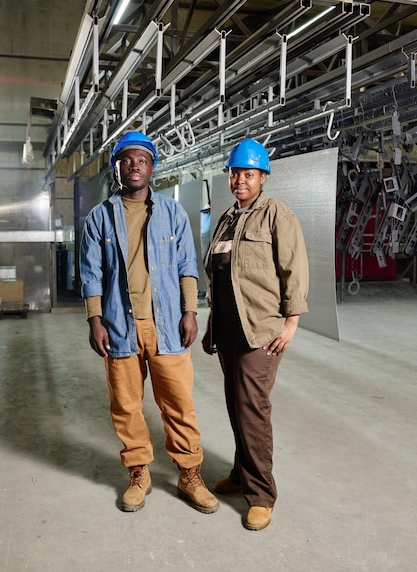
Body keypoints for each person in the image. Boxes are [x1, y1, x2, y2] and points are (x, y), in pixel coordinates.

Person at [80, 130, 219, 515]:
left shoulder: (173, 212)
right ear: (118, 168)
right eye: (127, 159)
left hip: (167, 324)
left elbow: (187, 267)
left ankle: (190, 473)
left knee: (178, 402)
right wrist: (95, 319)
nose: (135, 165)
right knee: (126, 405)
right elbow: (90, 273)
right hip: (119, 326)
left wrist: (191, 311)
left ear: (152, 167)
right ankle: (139, 472)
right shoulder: (100, 217)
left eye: (142, 159)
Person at [202, 137, 309, 531]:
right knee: (235, 403)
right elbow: (220, 278)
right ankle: (242, 473)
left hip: (260, 332)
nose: (240, 181)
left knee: (252, 409)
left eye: (248, 174)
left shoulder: (276, 215)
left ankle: (262, 494)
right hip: (230, 328)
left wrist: (291, 322)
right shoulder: (228, 217)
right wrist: (213, 323)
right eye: (235, 174)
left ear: (262, 177)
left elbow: (294, 269)